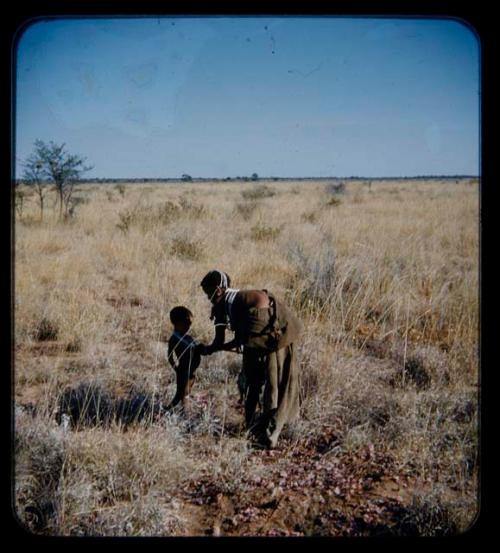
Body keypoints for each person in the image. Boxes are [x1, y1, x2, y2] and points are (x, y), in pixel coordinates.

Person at [199, 270, 303, 449]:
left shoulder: (221, 304)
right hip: (279, 322)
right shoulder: (238, 296)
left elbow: (220, 341)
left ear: (217, 290)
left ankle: (265, 431)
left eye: (208, 293)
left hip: (264, 326)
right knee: (282, 378)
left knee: (262, 380)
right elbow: (241, 338)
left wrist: (206, 350)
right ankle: (269, 425)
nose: (208, 298)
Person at [165, 306, 202, 413]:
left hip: (191, 371)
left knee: (185, 392)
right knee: (183, 394)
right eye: (186, 324)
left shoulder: (187, 337)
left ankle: (172, 409)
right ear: (177, 323)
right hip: (184, 370)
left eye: (190, 324)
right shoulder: (175, 338)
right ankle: (186, 414)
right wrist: (176, 368)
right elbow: (170, 355)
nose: (188, 327)